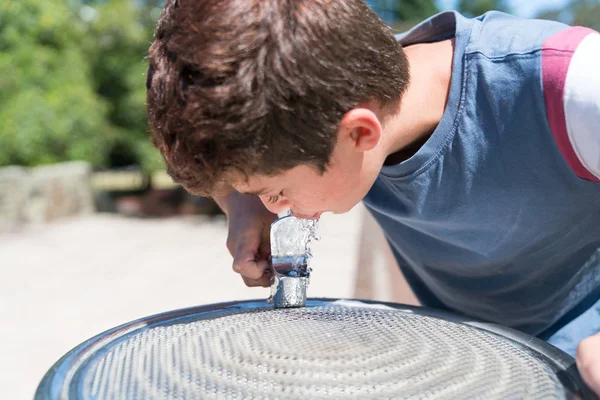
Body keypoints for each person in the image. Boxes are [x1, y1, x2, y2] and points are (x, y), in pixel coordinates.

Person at [145, 0, 600, 394]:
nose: (273, 206)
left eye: (274, 190)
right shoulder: (323, 93)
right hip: (478, 354)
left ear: (360, 132)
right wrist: (241, 202)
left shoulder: (575, 87)